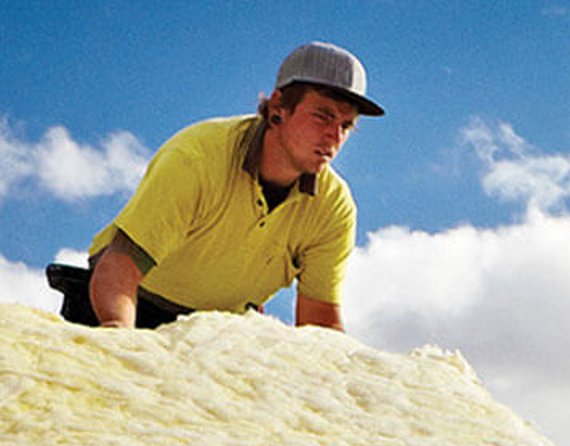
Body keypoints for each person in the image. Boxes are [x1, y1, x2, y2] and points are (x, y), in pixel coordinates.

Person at [47, 41, 382, 331]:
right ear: (278, 107)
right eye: (323, 116)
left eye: (346, 125)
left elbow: (319, 321)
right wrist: (120, 339)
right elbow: (120, 267)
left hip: (213, 333)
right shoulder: (197, 158)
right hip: (123, 299)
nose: (334, 136)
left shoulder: (333, 207)